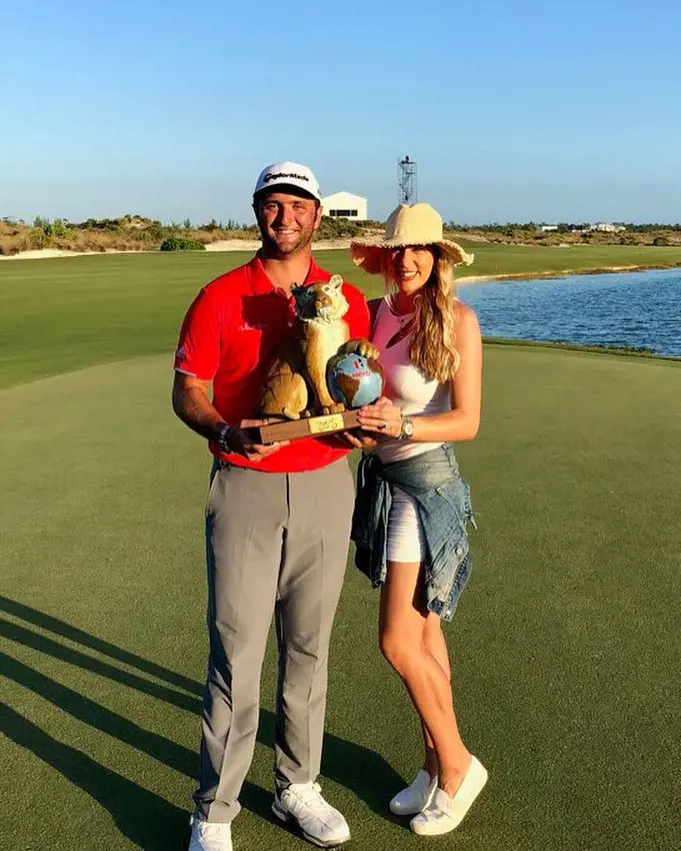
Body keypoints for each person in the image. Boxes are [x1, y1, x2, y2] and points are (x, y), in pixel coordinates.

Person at [172, 161, 370, 851]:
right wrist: (222, 427)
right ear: (257, 213)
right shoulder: (222, 294)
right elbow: (188, 390)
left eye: (296, 205)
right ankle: (214, 811)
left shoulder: (344, 301)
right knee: (237, 651)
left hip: (325, 480)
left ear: (317, 218)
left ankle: (297, 785)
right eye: (271, 204)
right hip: (245, 485)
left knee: (309, 646)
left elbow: (351, 389)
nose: (283, 216)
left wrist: (366, 419)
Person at [344, 202, 486, 837]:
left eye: (419, 250)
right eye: (396, 250)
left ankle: (458, 764)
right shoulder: (375, 316)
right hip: (383, 479)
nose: (406, 260)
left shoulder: (458, 320)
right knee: (427, 639)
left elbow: (467, 421)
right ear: (384, 258)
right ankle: (432, 766)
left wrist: (401, 423)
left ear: (437, 258)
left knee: (397, 641)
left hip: (427, 488)